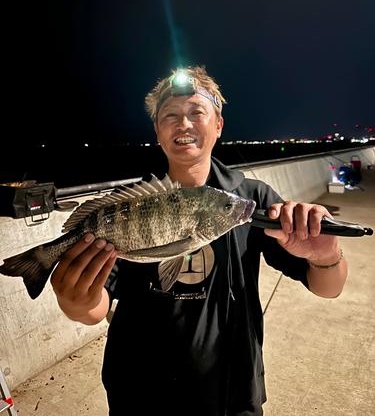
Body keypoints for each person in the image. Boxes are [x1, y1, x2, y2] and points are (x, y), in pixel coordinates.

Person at [51, 66, 348, 416]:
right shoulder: (129, 205)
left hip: (232, 395)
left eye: (197, 113)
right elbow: (97, 305)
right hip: (139, 395)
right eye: (170, 116)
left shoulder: (250, 201)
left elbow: (328, 287)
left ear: (218, 125)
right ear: (158, 132)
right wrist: (77, 302)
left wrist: (326, 255)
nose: (184, 124)